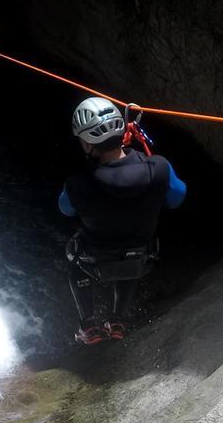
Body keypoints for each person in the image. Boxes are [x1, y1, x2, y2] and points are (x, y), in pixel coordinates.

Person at [58, 97, 187, 344]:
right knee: (129, 263)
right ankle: (117, 320)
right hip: (140, 254)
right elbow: (177, 198)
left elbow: (65, 210)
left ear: (87, 143)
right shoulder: (158, 168)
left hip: (94, 258)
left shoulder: (77, 183)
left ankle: (88, 325)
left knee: (74, 261)